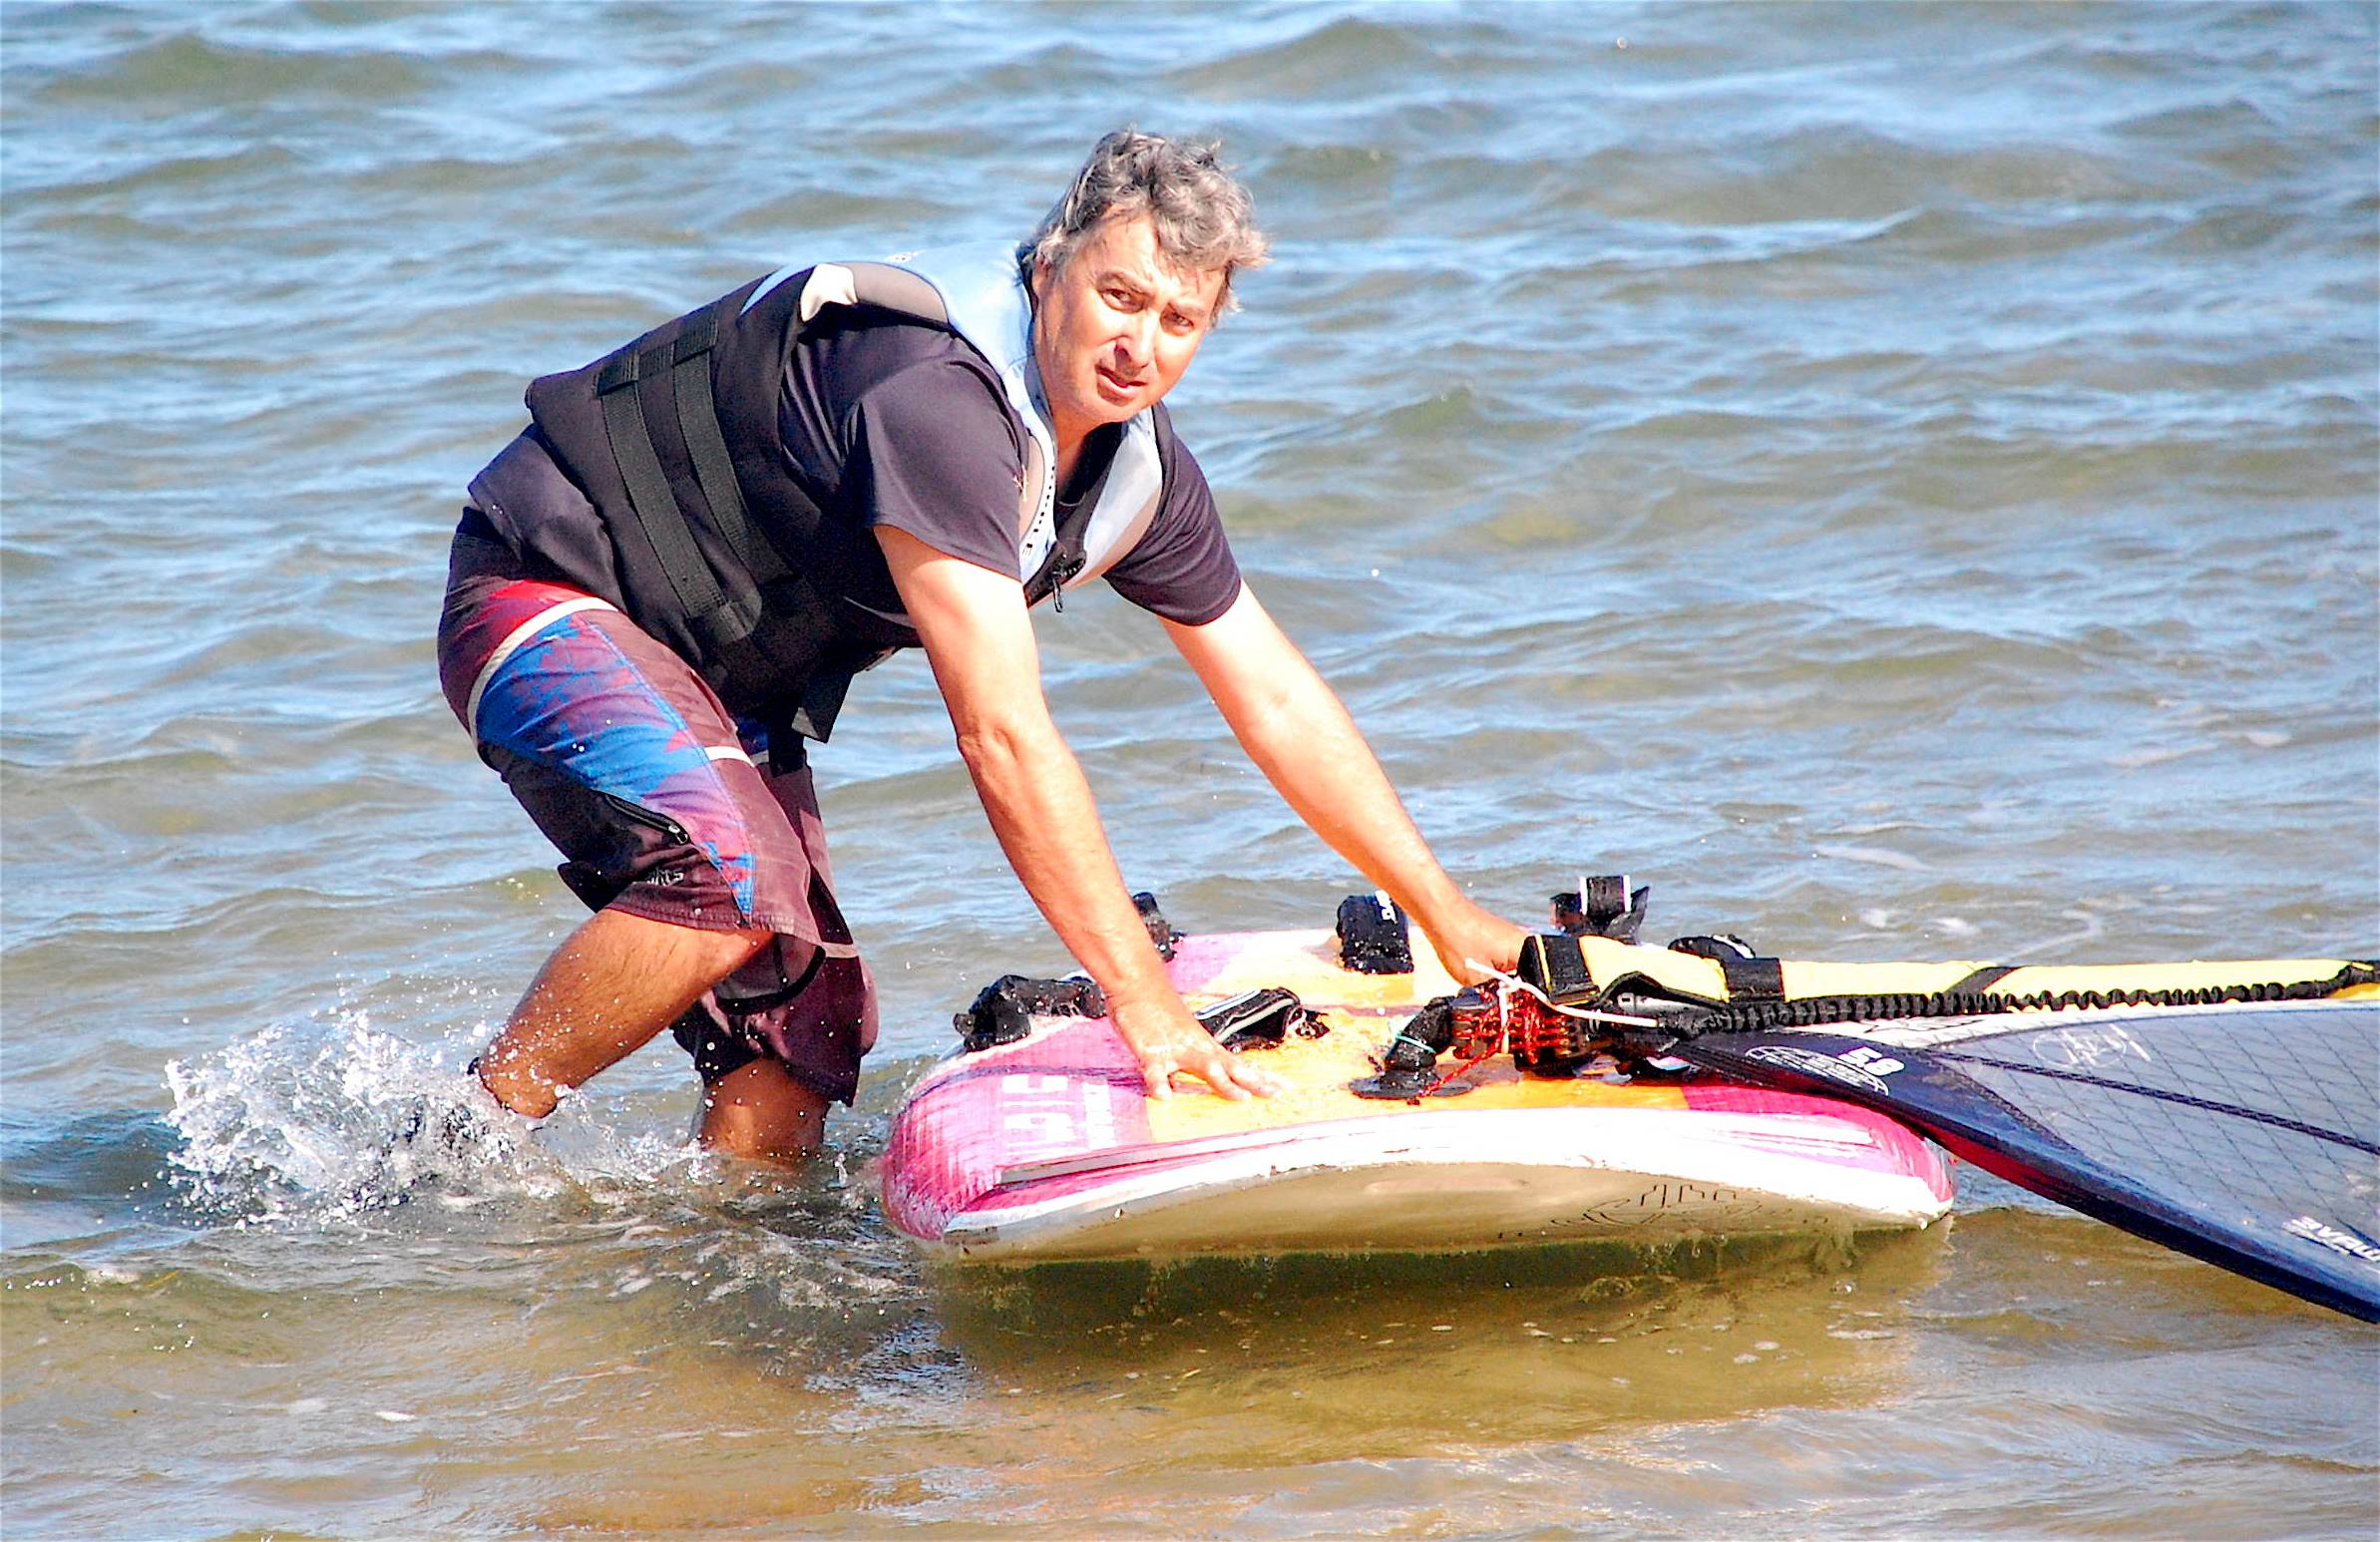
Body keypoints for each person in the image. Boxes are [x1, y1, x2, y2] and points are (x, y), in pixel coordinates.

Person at [435, 130, 1528, 1164]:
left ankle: (725, 1257)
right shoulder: (938, 399)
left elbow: (1274, 695)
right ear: (1050, 267)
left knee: (804, 1034)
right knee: (728, 885)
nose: (1140, 345)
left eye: (1179, 320)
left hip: (716, 679)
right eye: (1119, 296)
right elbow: (1000, 734)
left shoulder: (1136, 476)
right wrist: (1144, 1005)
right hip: (541, 586)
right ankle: (464, 1152)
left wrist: (1442, 908)